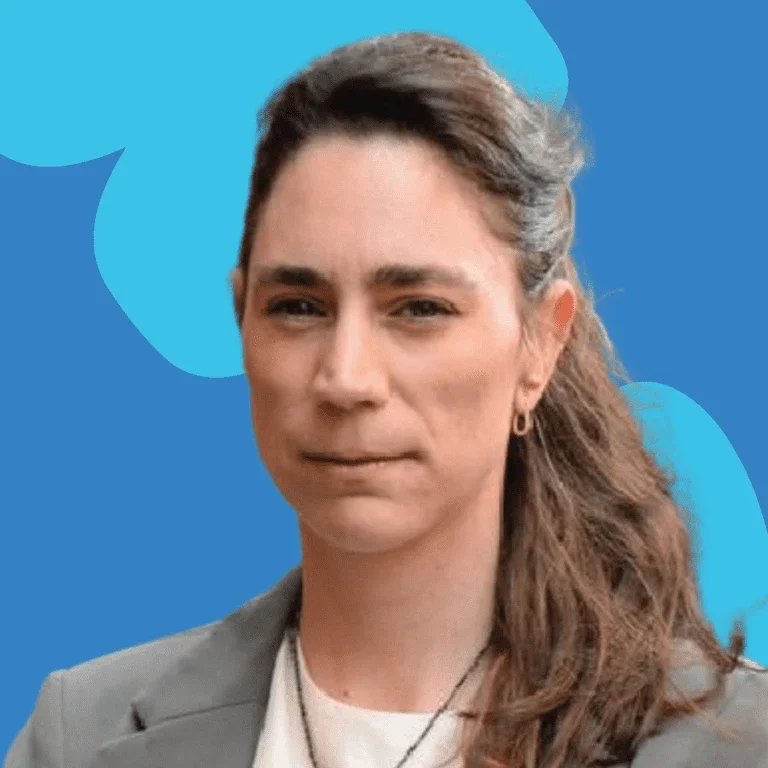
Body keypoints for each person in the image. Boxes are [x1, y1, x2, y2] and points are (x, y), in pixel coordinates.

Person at [5, 30, 768, 768]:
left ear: (541, 342)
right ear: (242, 317)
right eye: (298, 306)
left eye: (419, 308)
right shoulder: (81, 740)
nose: (346, 378)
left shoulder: (736, 745)